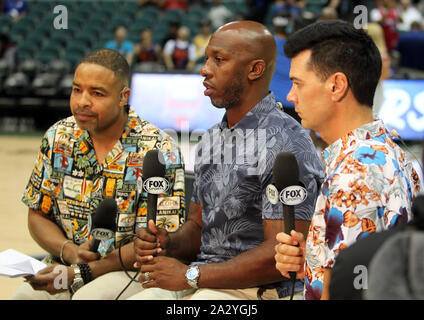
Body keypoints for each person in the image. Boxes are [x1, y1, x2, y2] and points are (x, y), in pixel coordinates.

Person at [127, 20, 324, 301]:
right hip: (205, 279)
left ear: (255, 70)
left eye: (218, 60)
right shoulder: (210, 138)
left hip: (262, 290)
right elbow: (197, 227)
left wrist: (190, 276)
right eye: (207, 58)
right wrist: (168, 243)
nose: (204, 69)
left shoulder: (286, 143)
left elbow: (280, 257)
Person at [12, 49, 185, 300]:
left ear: (123, 97)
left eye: (97, 93)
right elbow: (38, 213)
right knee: (23, 297)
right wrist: (70, 252)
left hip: (132, 270)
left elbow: (156, 243)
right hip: (68, 265)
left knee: (88, 298)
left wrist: (83, 271)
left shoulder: (159, 150)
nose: (82, 101)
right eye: (76, 89)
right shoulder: (58, 136)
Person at [274, 20, 421, 300]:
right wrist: (313, 258)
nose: (291, 96)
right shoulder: (396, 153)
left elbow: (345, 289)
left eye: (297, 83)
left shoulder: (353, 171)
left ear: (336, 86)